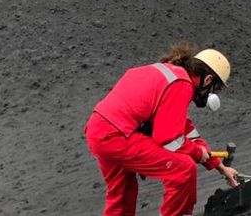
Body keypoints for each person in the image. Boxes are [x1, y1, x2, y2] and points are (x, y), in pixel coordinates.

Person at [85, 41, 240, 216]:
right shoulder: (181, 83)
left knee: (122, 195)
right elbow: (168, 138)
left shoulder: (169, 74)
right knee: (183, 169)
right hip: (117, 135)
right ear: (208, 79)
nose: (213, 93)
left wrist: (221, 167)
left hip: (98, 131)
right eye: (215, 88)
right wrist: (197, 152)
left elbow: (185, 129)